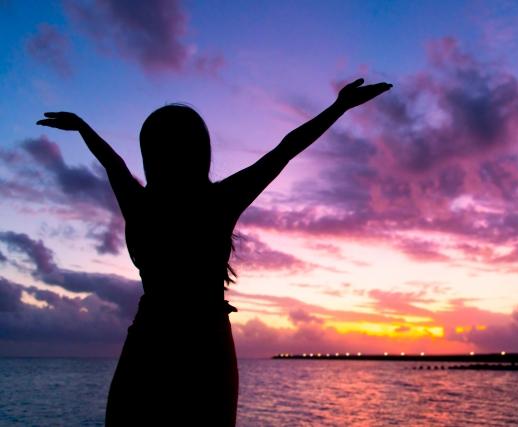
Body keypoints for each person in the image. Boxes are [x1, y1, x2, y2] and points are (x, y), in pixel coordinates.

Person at [37, 78, 392, 425]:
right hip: (205, 344)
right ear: (200, 151)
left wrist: (83, 129)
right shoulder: (219, 201)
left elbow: (111, 161)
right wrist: (338, 107)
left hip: (153, 338)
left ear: (150, 154)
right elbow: (285, 149)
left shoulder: (141, 203)